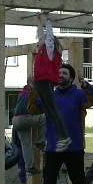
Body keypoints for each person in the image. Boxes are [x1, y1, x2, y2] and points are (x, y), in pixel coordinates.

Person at [37, 64, 93, 184]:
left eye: (64, 73)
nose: (60, 75)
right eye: (58, 73)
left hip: (74, 147)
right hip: (53, 147)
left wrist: (85, 84)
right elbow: (34, 106)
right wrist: (34, 85)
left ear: (71, 78)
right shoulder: (50, 95)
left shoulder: (79, 95)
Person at [33, 18, 71, 152]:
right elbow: (40, 35)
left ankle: (64, 137)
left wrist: (48, 21)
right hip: (40, 82)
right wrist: (39, 21)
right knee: (49, 111)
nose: (38, 41)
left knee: (53, 110)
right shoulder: (42, 50)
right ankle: (53, 137)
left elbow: (48, 36)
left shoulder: (49, 51)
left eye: (42, 40)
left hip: (45, 82)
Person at [11, 76, 46, 179]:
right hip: (25, 118)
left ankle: (29, 167)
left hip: (15, 120)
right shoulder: (32, 91)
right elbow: (40, 103)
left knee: (26, 144)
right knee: (44, 118)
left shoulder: (22, 92)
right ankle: (41, 141)